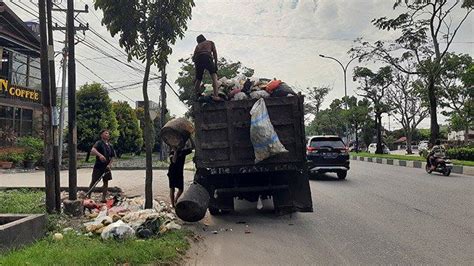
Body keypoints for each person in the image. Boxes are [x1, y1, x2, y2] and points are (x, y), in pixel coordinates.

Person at [89, 129, 115, 202]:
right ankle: (89, 196)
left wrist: (109, 165)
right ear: (102, 135)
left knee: (106, 181)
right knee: (94, 181)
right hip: (98, 166)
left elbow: (112, 156)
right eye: (105, 133)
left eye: (108, 133)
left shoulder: (110, 145)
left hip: (106, 167)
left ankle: (103, 198)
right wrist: (100, 155)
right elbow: (93, 150)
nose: (107, 135)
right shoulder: (99, 143)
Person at [192, 34, 221, 101]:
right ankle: (216, 96)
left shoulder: (198, 46)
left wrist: (199, 68)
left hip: (198, 59)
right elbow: (215, 54)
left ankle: (197, 96)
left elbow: (193, 58)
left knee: (198, 79)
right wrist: (215, 64)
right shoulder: (210, 42)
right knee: (214, 76)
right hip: (207, 57)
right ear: (204, 38)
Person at [167, 139, 194, 208]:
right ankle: (173, 204)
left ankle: (176, 200)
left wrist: (190, 138)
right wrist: (175, 151)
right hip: (172, 173)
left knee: (181, 189)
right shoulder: (171, 153)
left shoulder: (183, 152)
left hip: (179, 173)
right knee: (172, 188)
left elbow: (193, 147)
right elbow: (174, 161)